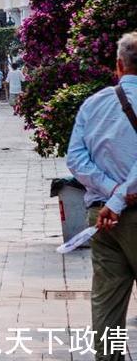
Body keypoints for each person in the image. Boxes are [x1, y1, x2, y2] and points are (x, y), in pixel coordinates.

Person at [67, 33, 137, 361]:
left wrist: (111, 195)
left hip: (102, 219)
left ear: (118, 65)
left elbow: (76, 160)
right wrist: (121, 197)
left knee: (107, 301)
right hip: (123, 212)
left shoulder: (93, 104)